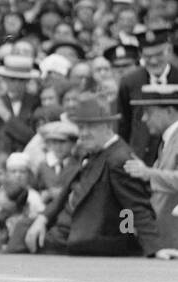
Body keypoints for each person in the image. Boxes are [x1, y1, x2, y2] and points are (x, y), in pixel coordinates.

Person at [24, 97, 177, 258]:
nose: (83, 134)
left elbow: (136, 207)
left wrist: (153, 248)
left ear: (107, 126)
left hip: (85, 239)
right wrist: (43, 217)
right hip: (64, 231)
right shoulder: (93, 150)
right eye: (81, 127)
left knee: (21, 236)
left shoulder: (120, 159)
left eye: (90, 127)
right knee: (23, 227)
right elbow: (66, 192)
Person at [121, 84, 178, 251]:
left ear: (169, 111)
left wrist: (148, 173)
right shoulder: (168, 140)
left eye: (149, 112)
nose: (144, 119)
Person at [117, 26, 178, 164]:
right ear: (141, 56)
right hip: (139, 158)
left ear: (169, 51)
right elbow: (124, 125)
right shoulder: (130, 82)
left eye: (159, 54)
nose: (154, 61)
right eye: (148, 56)